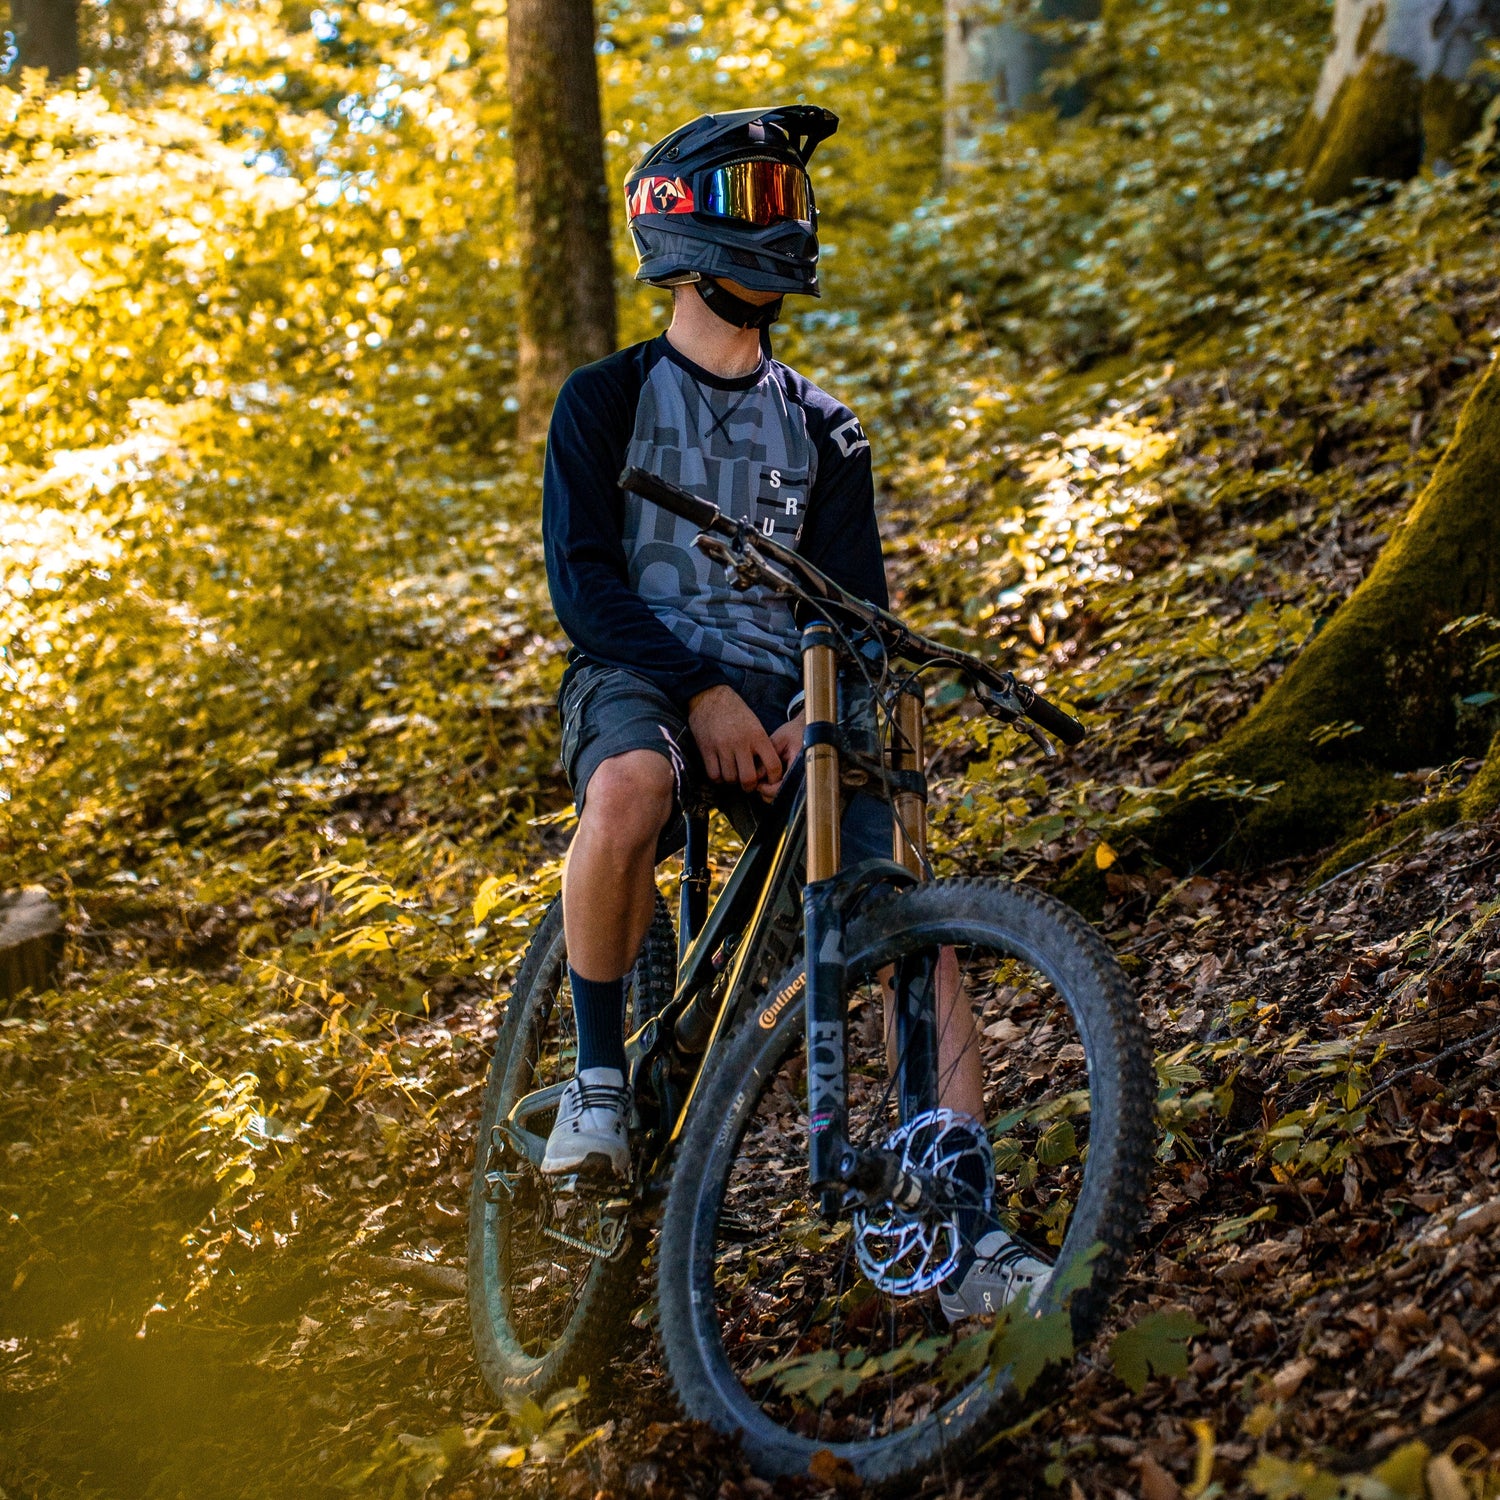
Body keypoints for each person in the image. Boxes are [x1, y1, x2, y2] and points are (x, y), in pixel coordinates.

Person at [538, 104, 1046, 1320]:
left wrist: (810, 714)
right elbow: (583, 583)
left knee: (911, 928)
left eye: (794, 202)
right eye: (762, 200)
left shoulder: (827, 427)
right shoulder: (602, 400)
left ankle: (966, 1230)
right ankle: (598, 1075)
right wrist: (700, 691)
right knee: (629, 788)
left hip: (793, 709)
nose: (790, 223)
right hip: (640, 680)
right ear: (685, 223)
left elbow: (851, 604)